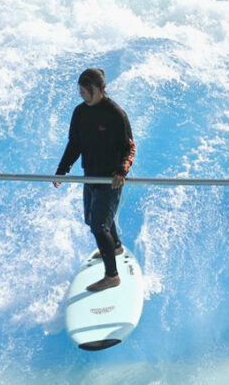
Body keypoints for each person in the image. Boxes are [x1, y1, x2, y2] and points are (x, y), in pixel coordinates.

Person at [54, 68, 136, 291]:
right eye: (81, 89)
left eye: (87, 90)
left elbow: (130, 148)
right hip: (90, 175)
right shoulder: (80, 113)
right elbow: (74, 144)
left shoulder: (116, 114)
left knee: (99, 226)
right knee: (92, 220)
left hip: (111, 180)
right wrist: (62, 169)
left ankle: (112, 276)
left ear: (101, 89)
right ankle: (116, 246)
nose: (83, 94)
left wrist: (122, 171)